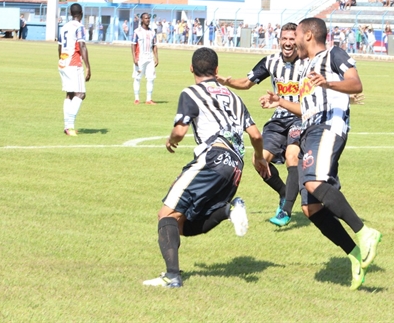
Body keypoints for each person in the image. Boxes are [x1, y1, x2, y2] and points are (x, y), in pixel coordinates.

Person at [261, 17, 382, 290]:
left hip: (328, 127)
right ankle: (355, 254)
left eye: (297, 35)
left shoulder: (333, 55)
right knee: (310, 207)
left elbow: (355, 83)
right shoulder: (309, 68)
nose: (293, 41)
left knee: (314, 182)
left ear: (307, 36)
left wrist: (328, 84)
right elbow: (307, 110)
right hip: (311, 129)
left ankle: (365, 232)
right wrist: (278, 101)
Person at [143, 47, 270, 288]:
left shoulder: (190, 92)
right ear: (217, 70)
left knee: (166, 215)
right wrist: (260, 158)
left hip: (212, 158)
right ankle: (229, 210)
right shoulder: (234, 97)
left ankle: (172, 277)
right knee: (180, 224)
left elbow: (180, 131)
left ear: (192, 69)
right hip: (235, 166)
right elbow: (255, 133)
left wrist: (172, 139)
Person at [217, 23, 303, 225]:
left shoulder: (308, 62)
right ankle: (283, 192)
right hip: (278, 117)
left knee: (292, 156)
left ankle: (286, 210)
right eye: (285, 39)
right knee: (259, 160)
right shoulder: (271, 62)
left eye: (292, 39)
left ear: (298, 41)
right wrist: (227, 82)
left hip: (301, 116)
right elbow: (247, 83)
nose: (288, 43)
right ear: (279, 40)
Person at [57, 3, 91, 136]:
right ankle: (70, 126)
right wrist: (88, 66)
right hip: (74, 62)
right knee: (81, 94)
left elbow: (59, 47)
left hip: (63, 62)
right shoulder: (79, 27)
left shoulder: (64, 27)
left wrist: (61, 61)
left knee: (70, 94)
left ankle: (67, 126)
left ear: (71, 14)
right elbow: (82, 45)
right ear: (81, 14)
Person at [132, 12, 159, 105]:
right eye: (146, 18)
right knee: (137, 78)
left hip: (150, 58)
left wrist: (156, 58)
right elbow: (133, 45)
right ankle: (137, 99)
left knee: (151, 78)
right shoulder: (137, 32)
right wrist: (134, 57)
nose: (148, 20)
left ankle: (149, 99)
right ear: (142, 19)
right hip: (140, 58)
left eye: (148, 18)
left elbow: (155, 46)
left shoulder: (152, 32)